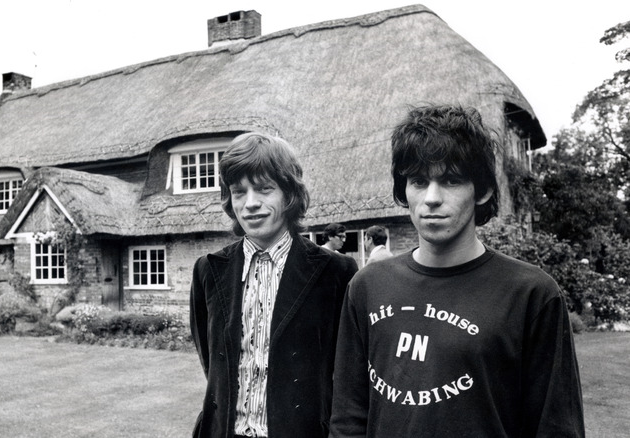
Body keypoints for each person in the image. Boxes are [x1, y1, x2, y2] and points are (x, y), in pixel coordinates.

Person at [329, 105, 585, 437]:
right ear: (403, 191)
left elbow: (557, 428)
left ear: (483, 190)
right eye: (419, 181)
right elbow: (348, 420)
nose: (431, 198)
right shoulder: (367, 286)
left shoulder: (532, 295)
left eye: (450, 180)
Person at [190, 132, 358, 438]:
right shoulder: (208, 270)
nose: (250, 203)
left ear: (289, 194)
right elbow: (213, 364)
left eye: (265, 189)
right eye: (239, 192)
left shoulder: (335, 272)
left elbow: (346, 377)